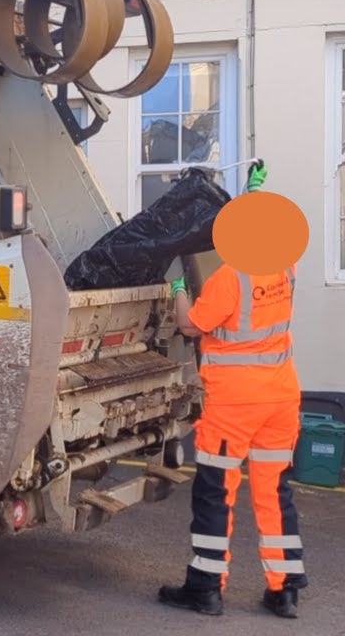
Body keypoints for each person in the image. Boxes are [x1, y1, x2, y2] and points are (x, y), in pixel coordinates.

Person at [158, 161, 308, 619]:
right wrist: (249, 193)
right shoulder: (285, 267)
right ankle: (284, 590)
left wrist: (179, 286)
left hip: (234, 406)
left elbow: (189, 324)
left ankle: (205, 586)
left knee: (215, 492)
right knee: (274, 491)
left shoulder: (229, 279)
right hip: (281, 400)